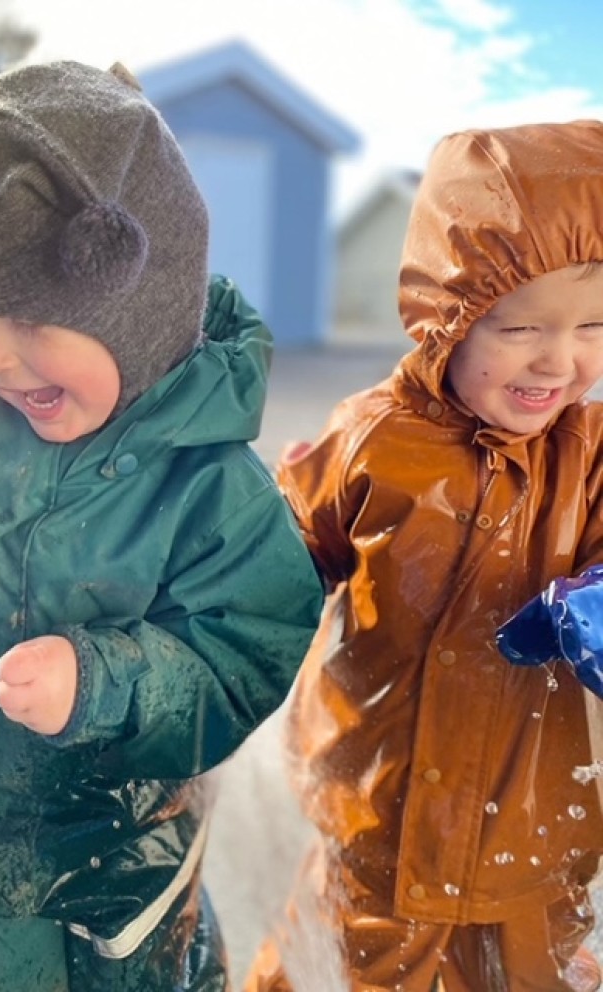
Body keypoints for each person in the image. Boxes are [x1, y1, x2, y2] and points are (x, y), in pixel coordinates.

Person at [0, 60, 324, 992]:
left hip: (124, 875)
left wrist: (108, 679)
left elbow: (246, 649)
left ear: (140, 306)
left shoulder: (211, 486)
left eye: (32, 320)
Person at [244, 119, 603, 992]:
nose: (559, 359)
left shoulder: (588, 451)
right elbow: (269, 575)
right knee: (335, 967)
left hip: (529, 819)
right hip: (380, 806)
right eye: (521, 326)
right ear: (451, 313)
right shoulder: (372, 441)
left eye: (594, 324)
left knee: (531, 973)